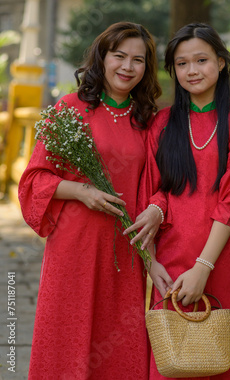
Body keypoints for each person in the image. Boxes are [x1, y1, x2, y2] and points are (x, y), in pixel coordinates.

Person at [18, 21, 162, 380]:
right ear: (102, 57)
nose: (127, 67)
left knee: (117, 340)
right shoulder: (68, 110)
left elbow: (165, 184)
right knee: (67, 333)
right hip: (74, 244)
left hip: (125, 249)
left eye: (138, 60)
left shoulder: (150, 121)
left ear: (147, 68)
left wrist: (157, 210)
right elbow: (34, 180)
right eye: (119, 56)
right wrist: (82, 191)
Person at [127, 22, 230, 380]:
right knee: (170, 360)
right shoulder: (162, 124)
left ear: (221, 63)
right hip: (172, 254)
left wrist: (204, 267)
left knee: (214, 358)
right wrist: (151, 260)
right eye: (182, 63)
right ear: (173, 70)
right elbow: (155, 190)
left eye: (201, 60)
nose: (192, 71)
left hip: (222, 256)